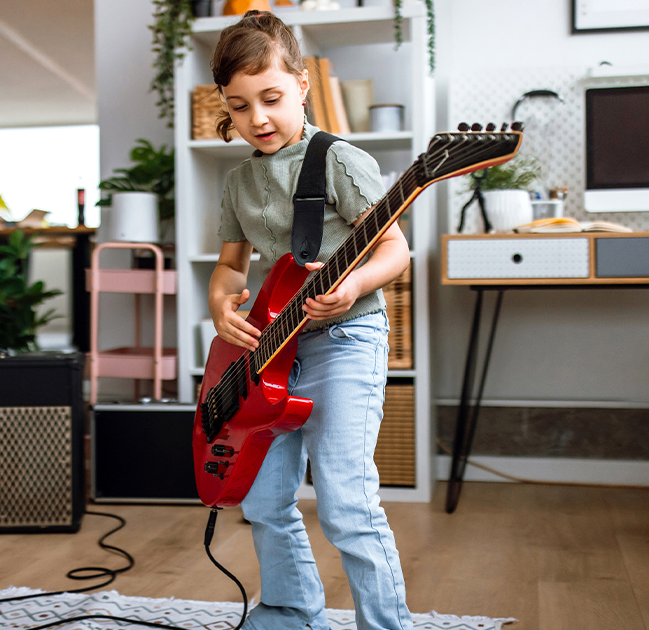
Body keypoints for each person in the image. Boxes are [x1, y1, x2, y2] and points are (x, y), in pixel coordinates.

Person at [206, 10, 413, 630]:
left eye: (270, 98)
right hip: (271, 352)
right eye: (240, 107)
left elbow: (395, 250)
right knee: (266, 499)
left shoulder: (341, 160)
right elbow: (229, 270)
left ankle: (387, 624)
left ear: (301, 83)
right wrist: (221, 307)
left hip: (346, 339)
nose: (258, 119)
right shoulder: (238, 181)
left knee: (346, 501)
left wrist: (349, 287)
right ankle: (291, 611)